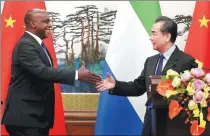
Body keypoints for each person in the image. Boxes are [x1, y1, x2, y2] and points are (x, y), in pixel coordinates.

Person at [1, 8, 101, 136]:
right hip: (25, 117)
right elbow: (42, 72)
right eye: (46, 21)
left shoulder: (36, 45)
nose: (50, 25)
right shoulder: (26, 45)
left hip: (34, 117)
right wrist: (76, 75)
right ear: (33, 24)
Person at [96, 16, 197, 136]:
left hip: (174, 128)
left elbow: (193, 98)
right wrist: (115, 85)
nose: (150, 38)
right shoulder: (151, 61)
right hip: (151, 125)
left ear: (167, 36)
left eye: (154, 34)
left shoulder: (186, 61)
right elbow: (138, 87)